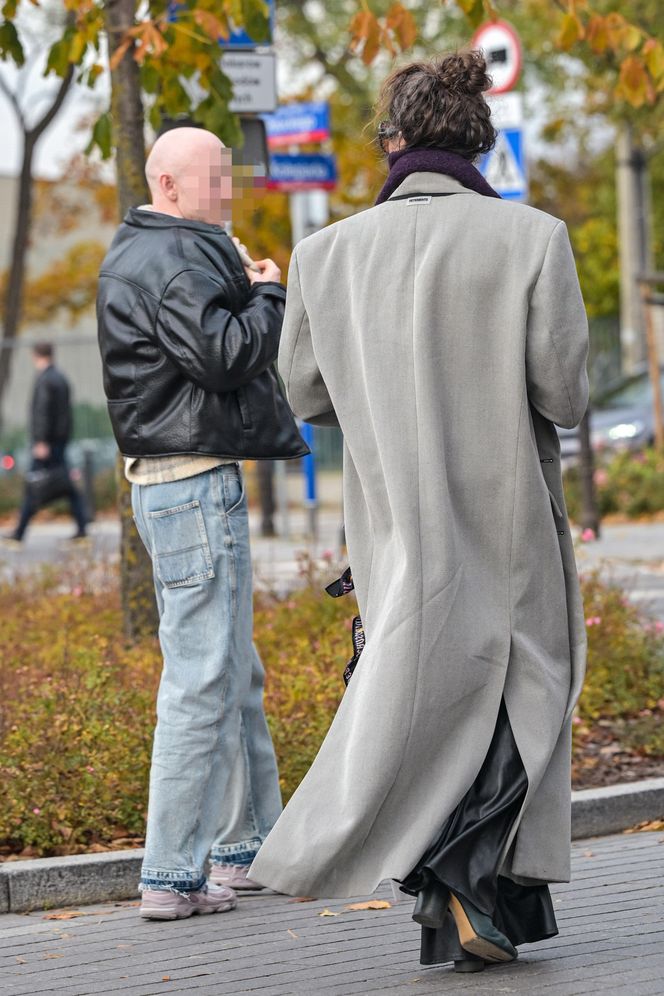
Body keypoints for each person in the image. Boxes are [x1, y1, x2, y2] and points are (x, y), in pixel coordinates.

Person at [249, 51, 589, 974]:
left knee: (428, 693)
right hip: (507, 517)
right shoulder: (533, 237)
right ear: (475, 137)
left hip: (395, 522)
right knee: (529, 690)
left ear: (392, 142)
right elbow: (564, 394)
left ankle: (466, 895)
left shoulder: (326, 256)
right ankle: (468, 881)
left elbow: (308, 396)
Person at [96, 127, 308, 920]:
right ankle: (170, 874)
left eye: (227, 173)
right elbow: (221, 356)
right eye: (211, 176)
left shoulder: (148, 249)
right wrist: (271, 294)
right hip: (191, 482)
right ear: (167, 184)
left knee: (233, 671)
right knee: (201, 679)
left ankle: (249, 847)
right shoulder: (179, 255)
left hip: (174, 481)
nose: (226, 188)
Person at [3, 342, 87, 545]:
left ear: (36, 355)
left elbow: (42, 413)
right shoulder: (60, 379)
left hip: (46, 445)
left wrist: (40, 441)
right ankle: (82, 529)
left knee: (34, 484)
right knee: (67, 487)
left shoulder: (45, 380)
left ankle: (19, 532)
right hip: (59, 441)